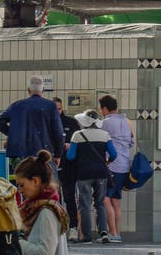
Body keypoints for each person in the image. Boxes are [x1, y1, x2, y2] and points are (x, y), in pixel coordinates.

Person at [66, 110, 116, 244]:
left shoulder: (77, 135)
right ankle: (104, 232)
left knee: (85, 205)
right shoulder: (105, 135)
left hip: (83, 174)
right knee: (100, 203)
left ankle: (87, 237)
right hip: (101, 173)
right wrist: (107, 161)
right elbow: (114, 154)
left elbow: (70, 156)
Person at [0, 75, 64, 166]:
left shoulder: (17, 106)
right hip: (45, 153)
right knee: (46, 179)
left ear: (28, 90)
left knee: (23, 179)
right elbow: (58, 132)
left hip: (22, 153)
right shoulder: (50, 106)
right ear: (43, 89)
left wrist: (13, 134)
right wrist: (58, 155)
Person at [96, 95, 133, 244]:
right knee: (116, 201)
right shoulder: (127, 122)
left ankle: (112, 232)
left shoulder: (106, 123)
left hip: (111, 165)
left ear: (104, 108)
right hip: (124, 166)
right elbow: (131, 143)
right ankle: (117, 232)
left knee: (105, 199)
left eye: (101, 108)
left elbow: (100, 141)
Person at [54, 98, 81, 239]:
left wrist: (69, 145)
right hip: (52, 165)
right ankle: (56, 227)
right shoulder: (45, 123)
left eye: (58, 109)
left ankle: (73, 227)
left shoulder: (71, 123)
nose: (56, 112)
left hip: (69, 165)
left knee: (69, 196)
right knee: (54, 198)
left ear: (62, 108)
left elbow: (78, 142)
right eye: (54, 109)